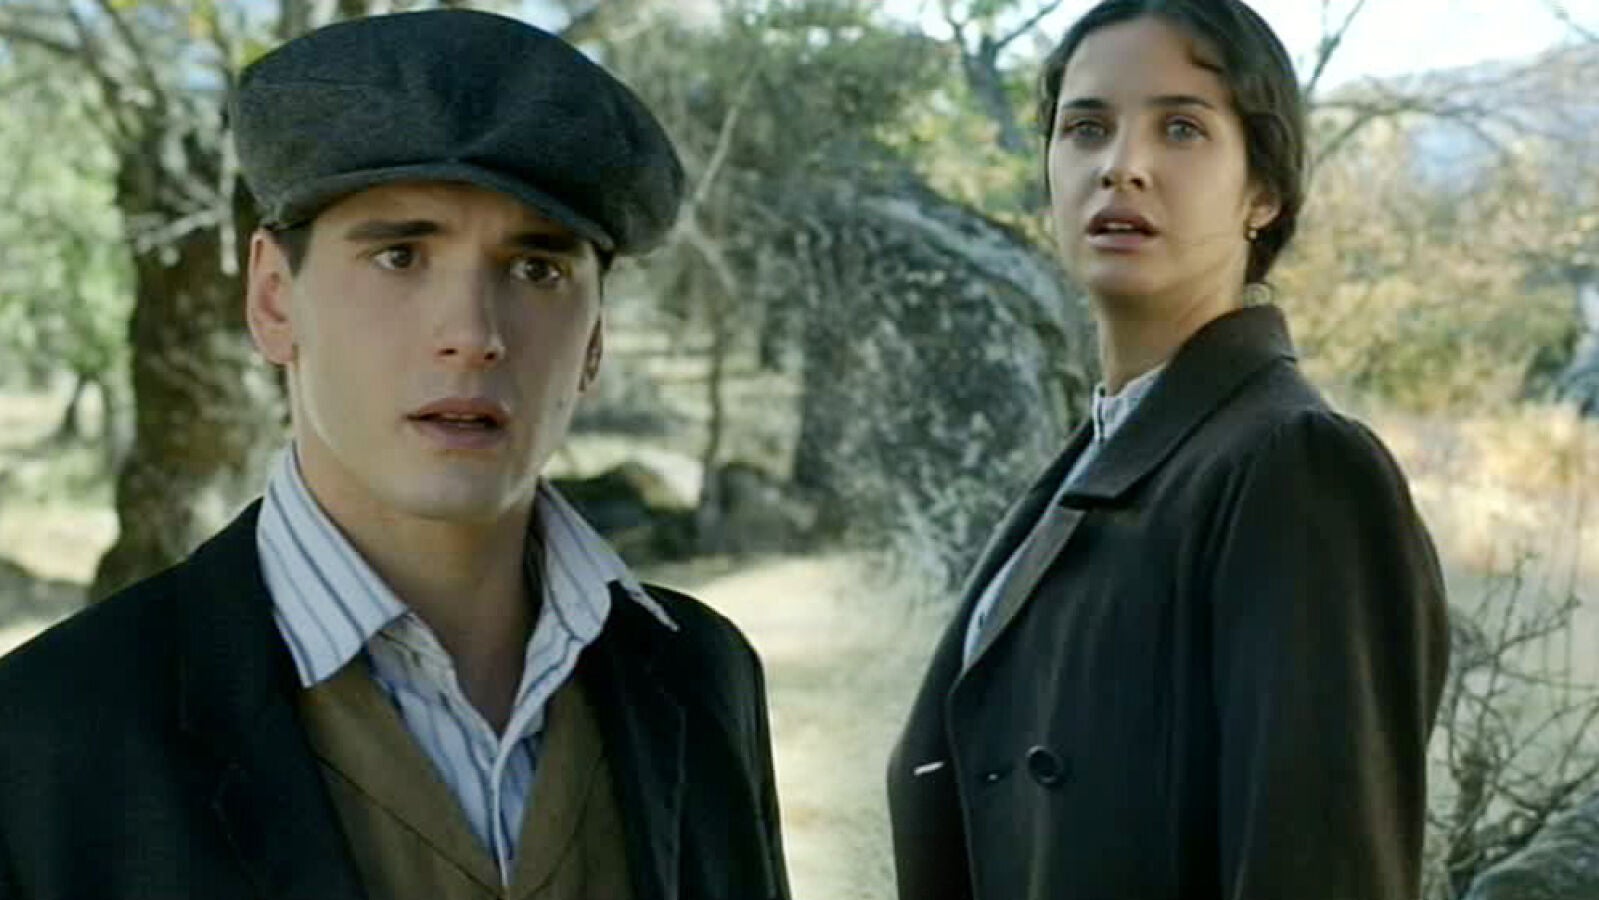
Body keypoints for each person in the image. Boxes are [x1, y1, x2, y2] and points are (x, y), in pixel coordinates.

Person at [0, 11, 789, 900]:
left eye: (536, 269)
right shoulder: (44, 735)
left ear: (594, 338)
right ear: (273, 300)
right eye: (400, 256)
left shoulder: (700, 674)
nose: (473, 334)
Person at [887, 2, 1450, 898]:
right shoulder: (1102, 454)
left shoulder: (1296, 466)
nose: (1121, 165)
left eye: (1181, 128)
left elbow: (1320, 868)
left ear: (1262, 194)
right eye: (1085, 128)